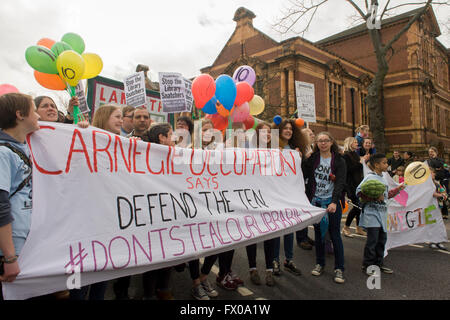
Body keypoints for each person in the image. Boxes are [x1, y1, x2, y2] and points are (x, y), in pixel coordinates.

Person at [69, 105, 122, 301]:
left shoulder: (122, 144)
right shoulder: (85, 138)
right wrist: (77, 131)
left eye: (122, 117)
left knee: (103, 275)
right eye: (117, 117)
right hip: (82, 223)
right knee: (78, 279)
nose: (121, 120)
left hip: (108, 222)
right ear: (104, 117)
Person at [0, 93, 40, 300]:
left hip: (26, 245)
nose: (38, 116)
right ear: (20, 115)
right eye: (34, 110)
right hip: (9, 250)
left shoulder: (25, 146)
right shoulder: (3, 153)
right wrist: (9, 257)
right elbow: (1, 205)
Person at [302, 132, 346, 284]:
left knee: (335, 235)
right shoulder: (313, 159)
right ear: (316, 144)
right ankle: (320, 263)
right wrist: (303, 158)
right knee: (320, 235)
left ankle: (339, 268)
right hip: (316, 202)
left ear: (331, 142)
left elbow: (340, 183)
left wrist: (334, 202)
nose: (323, 143)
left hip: (331, 202)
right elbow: (303, 174)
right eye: (320, 141)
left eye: (326, 140)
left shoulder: (339, 160)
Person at [140, 123, 176, 300]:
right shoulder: (145, 154)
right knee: (154, 256)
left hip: (169, 212)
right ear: (162, 137)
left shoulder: (175, 155)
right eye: (171, 134)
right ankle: (149, 294)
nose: (174, 138)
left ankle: (164, 289)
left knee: (169, 254)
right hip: (153, 213)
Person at [186, 119, 220, 300]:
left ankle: (204, 276)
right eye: (205, 130)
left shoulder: (219, 152)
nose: (208, 133)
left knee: (218, 242)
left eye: (211, 130)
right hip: (193, 205)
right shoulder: (186, 151)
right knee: (193, 246)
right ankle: (196, 284)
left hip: (214, 205)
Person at [271, 119, 307, 277]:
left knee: (289, 228)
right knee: (276, 229)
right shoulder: (272, 146)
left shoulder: (295, 148)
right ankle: (274, 260)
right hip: (276, 192)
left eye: (291, 129)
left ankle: (288, 260)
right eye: (285, 128)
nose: (288, 131)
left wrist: (299, 157)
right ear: (279, 130)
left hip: (291, 193)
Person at [357, 154, 404, 276]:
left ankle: (379, 264)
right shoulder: (369, 178)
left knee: (381, 241)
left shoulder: (383, 178)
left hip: (382, 214)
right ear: (376, 165)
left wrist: (398, 190)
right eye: (384, 163)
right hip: (371, 214)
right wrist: (374, 196)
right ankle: (367, 265)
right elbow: (359, 192)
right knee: (372, 241)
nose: (387, 165)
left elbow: (386, 196)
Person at [245, 122, 276, 286]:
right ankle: (253, 268)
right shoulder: (249, 151)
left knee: (269, 235)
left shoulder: (276, 152)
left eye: (269, 132)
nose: (268, 134)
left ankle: (269, 270)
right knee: (252, 235)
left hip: (270, 199)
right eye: (264, 132)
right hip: (252, 198)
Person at [296, 127, 316, 250]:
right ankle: (301, 238)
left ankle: (305, 235)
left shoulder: (312, 148)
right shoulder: (301, 150)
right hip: (301, 185)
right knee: (302, 212)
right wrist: (307, 158)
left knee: (307, 212)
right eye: (309, 134)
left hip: (310, 185)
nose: (313, 135)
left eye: (312, 133)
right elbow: (299, 169)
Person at [342, 137, 365, 237]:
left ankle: (358, 228)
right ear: (350, 143)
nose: (357, 144)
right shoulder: (346, 155)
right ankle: (346, 227)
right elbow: (348, 169)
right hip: (351, 184)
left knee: (360, 206)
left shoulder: (355, 154)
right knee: (357, 206)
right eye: (355, 142)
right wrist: (359, 163)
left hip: (358, 183)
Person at [429, 167, 448, 250]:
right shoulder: (425, 184)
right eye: (430, 173)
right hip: (428, 207)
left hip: (437, 207)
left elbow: (443, 191)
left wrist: (444, 195)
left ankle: (438, 241)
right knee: (431, 224)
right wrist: (440, 195)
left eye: (432, 173)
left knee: (439, 224)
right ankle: (432, 241)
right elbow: (432, 193)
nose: (432, 174)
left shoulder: (436, 183)